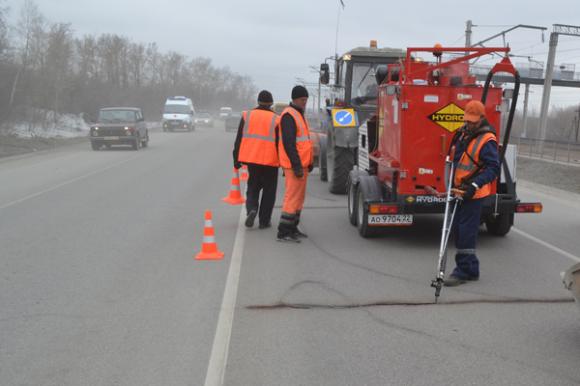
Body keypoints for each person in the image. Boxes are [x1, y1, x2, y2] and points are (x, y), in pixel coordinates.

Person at [445, 100, 500, 286]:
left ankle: (461, 272)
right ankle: (472, 269)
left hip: (474, 194)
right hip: (459, 190)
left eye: (473, 121)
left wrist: (475, 185)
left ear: (482, 119)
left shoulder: (487, 140)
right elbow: (458, 161)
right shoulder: (462, 134)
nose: (469, 123)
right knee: (458, 232)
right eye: (467, 120)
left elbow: (493, 168)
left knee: (465, 233)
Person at [232, 90, 279, 229]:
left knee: (253, 187)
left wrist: (236, 158)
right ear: (271, 103)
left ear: (258, 101)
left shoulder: (247, 115)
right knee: (269, 192)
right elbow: (280, 142)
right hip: (271, 161)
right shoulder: (276, 119)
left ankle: (252, 208)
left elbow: (239, 139)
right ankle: (264, 221)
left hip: (252, 159)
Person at [276, 85, 313, 242]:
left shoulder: (298, 114)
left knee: (299, 199)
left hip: (301, 164)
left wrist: (309, 162)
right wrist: (297, 165)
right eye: (303, 100)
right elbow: (289, 144)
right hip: (294, 165)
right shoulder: (289, 115)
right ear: (295, 99)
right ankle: (283, 232)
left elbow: (303, 142)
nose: (305, 102)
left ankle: (292, 228)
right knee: (292, 198)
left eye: (306, 100)